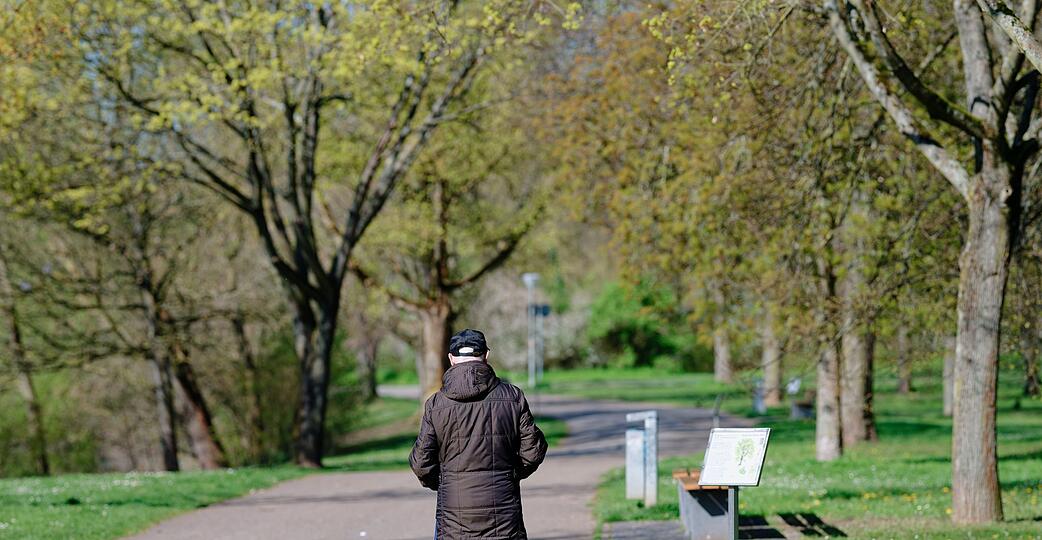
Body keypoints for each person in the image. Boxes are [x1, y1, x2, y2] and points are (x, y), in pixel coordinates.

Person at [410, 328, 548, 540]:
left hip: (454, 520)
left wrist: (445, 482)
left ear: (451, 358)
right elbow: (534, 450)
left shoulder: (435, 405)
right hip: (504, 517)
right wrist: (509, 474)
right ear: (486, 355)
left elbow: (421, 463)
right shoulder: (512, 397)